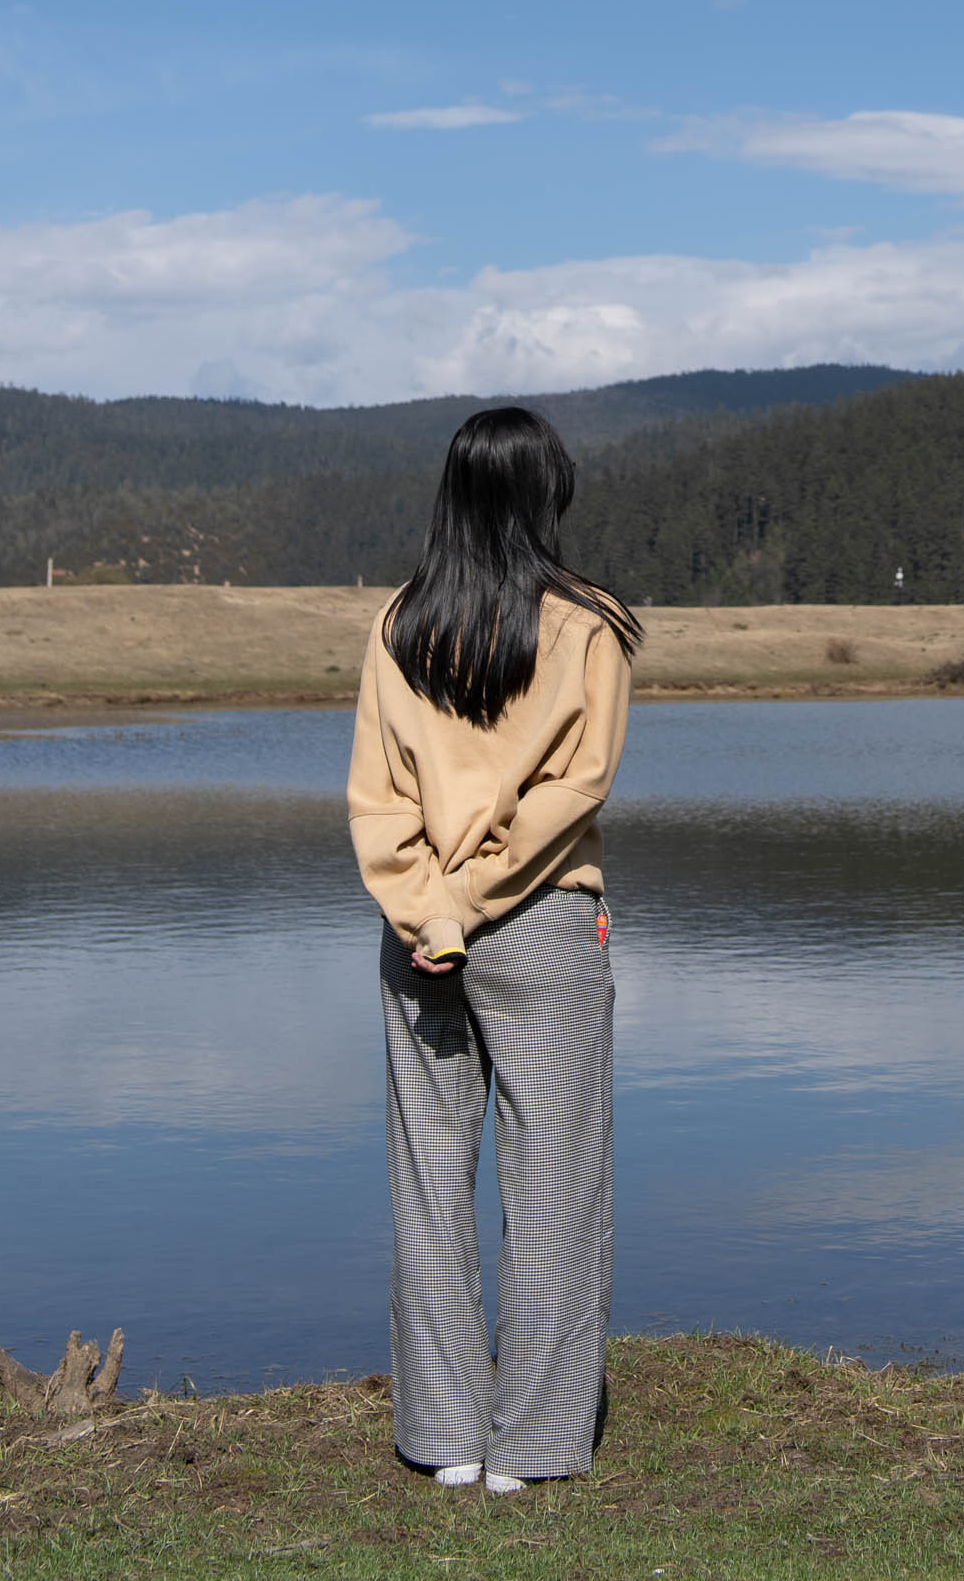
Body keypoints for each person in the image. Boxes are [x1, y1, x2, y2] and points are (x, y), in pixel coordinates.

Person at [348, 405, 639, 1495]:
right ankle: (533, 1445)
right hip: (540, 920)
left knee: (427, 1179)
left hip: (414, 931)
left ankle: (444, 1438)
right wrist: (471, 900)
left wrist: (430, 909)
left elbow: (377, 803)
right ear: (537, 494)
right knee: (554, 1174)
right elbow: (578, 790)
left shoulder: (397, 624)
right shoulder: (588, 625)